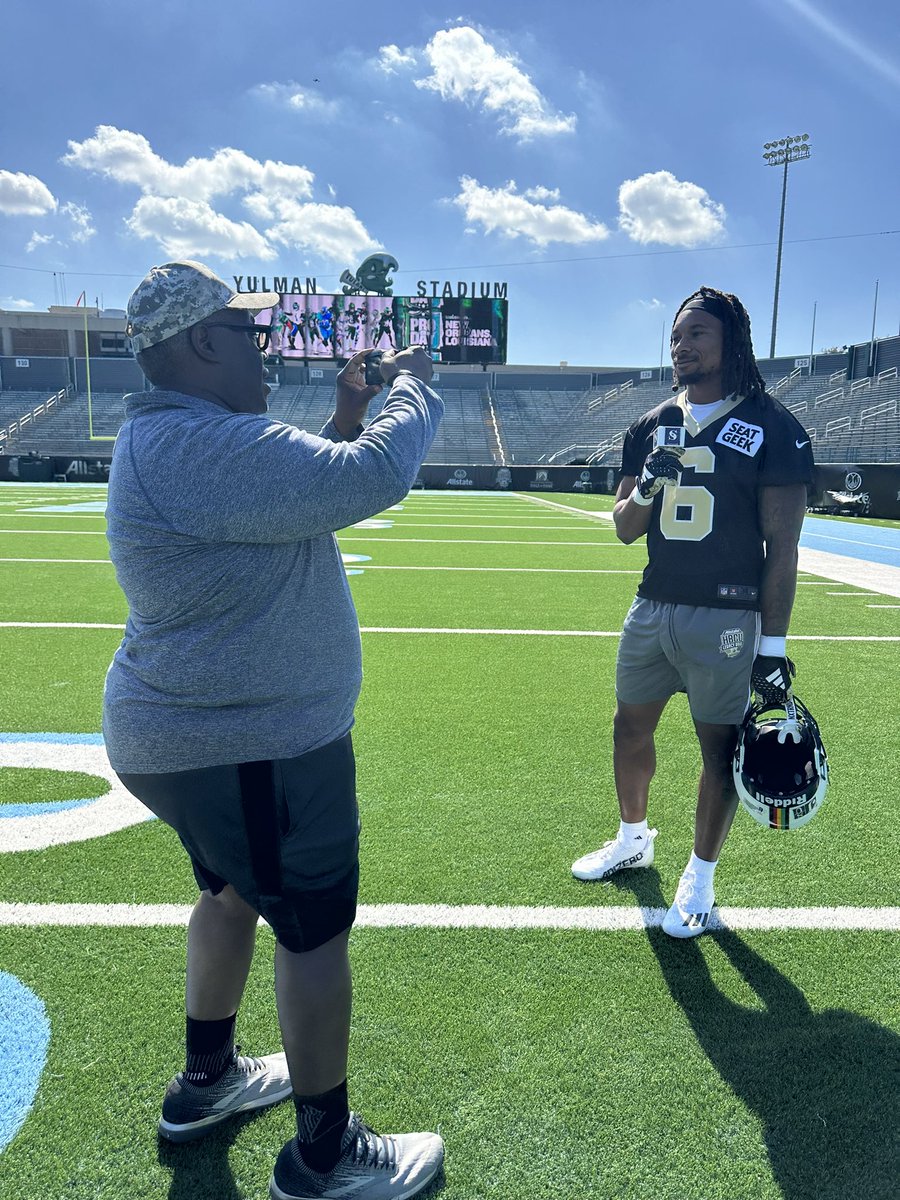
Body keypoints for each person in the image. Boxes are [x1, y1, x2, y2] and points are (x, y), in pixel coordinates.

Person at [103, 260, 445, 1200]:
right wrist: (418, 386)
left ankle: (206, 1083)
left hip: (199, 739)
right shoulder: (196, 446)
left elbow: (295, 497)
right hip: (249, 747)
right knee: (313, 932)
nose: (265, 348)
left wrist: (341, 418)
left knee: (227, 896)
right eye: (246, 333)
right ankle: (324, 1156)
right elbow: (370, 475)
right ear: (201, 344)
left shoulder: (190, 440)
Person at [571, 286, 815, 938]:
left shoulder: (772, 425)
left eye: (696, 334)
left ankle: (700, 879)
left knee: (721, 752)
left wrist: (771, 645)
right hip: (653, 605)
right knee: (628, 728)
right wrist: (650, 481)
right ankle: (632, 838)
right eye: (677, 335)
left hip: (727, 618)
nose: (681, 346)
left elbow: (782, 548)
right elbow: (625, 527)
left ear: (730, 341)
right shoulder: (651, 424)